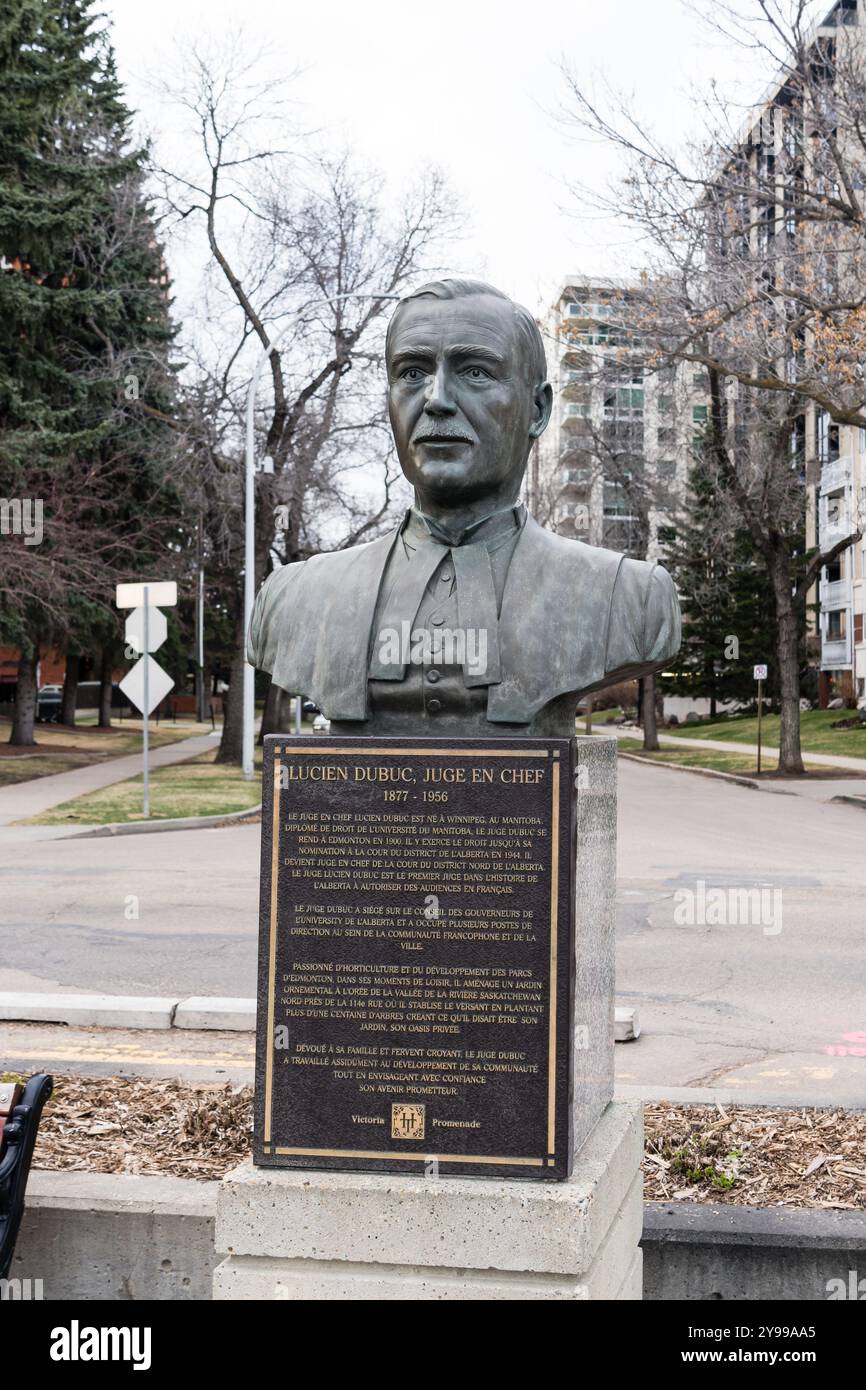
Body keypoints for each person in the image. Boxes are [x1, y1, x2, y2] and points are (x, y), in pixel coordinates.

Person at [248, 278, 680, 736]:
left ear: (537, 410)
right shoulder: (292, 599)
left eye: (475, 372)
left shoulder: (627, 598)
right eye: (412, 372)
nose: (436, 400)